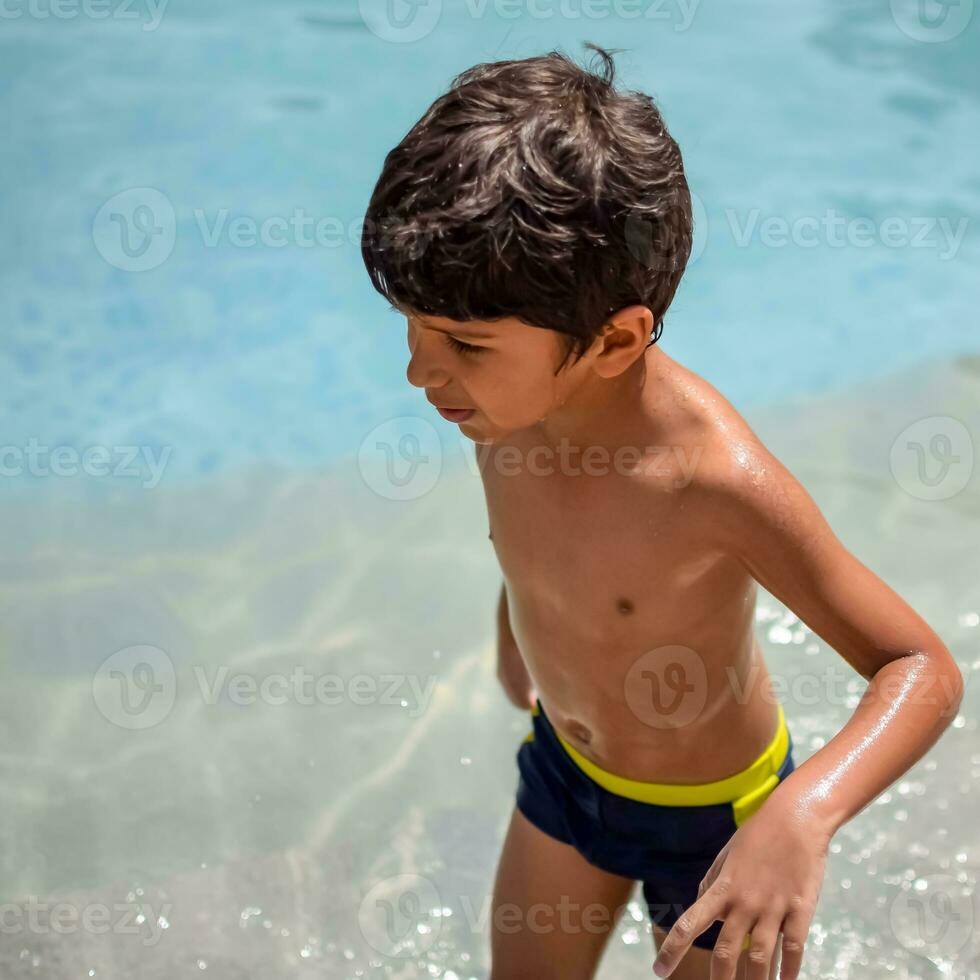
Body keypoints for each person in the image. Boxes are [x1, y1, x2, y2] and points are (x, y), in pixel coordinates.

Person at [360, 42, 963, 980]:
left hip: (721, 828)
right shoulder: (502, 408)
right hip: (564, 775)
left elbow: (919, 667)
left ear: (614, 339)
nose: (420, 371)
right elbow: (545, 537)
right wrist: (518, 624)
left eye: (464, 344)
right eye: (414, 329)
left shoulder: (709, 479)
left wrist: (800, 815)